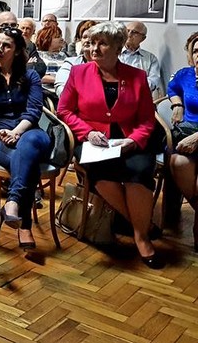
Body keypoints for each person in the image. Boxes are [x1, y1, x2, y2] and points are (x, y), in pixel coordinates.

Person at [57, 21, 162, 269]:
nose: (94, 48)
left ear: (118, 48)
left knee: (139, 171)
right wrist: (88, 132)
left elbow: (147, 119)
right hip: (92, 139)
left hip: (129, 138)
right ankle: (139, 225)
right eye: (92, 43)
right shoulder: (79, 73)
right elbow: (64, 110)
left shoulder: (137, 76)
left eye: (102, 43)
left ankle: (141, 237)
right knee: (100, 170)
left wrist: (133, 140)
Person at [0, 27, 50, 251]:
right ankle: (24, 226)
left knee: (28, 146)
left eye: (6, 45)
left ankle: (13, 201)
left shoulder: (30, 76)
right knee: (27, 162)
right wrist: (0, 133)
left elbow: (34, 111)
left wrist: (17, 131)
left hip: (30, 132)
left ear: (16, 51)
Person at [165, 31, 198, 252]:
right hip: (187, 137)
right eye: (196, 51)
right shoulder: (184, 74)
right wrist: (177, 104)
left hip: (196, 137)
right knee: (177, 162)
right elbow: (172, 88)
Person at [119, 21, 163, 99]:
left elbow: (153, 82)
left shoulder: (151, 58)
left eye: (134, 32)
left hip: (139, 98)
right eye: (127, 31)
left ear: (143, 38)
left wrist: (131, 88)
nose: (129, 34)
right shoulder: (114, 53)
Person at [55, 20, 96, 97]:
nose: (87, 40)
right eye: (84, 37)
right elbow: (62, 89)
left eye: (92, 37)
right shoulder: (71, 63)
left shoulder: (108, 64)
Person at [35, 22, 67, 87]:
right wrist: (58, 80)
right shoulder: (37, 56)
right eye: (57, 37)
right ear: (47, 39)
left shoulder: (65, 55)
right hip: (45, 90)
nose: (61, 39)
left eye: (61, 36)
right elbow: (36, 76)